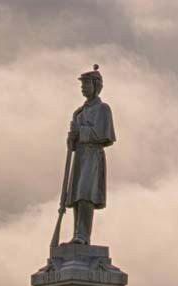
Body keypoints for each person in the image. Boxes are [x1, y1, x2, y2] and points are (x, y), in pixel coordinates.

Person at [63, 65, 115, 246]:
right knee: (77, 196)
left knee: (86, 194)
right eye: (82, 85)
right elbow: (74, 143)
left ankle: (83, 235)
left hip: (93, 155)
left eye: (86, 84)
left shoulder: (103, 109)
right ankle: (78, 233)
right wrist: (72, 139)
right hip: (81, 156)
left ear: (96, 85)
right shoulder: (79, 112)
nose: (83, 88)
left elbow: (103, 135)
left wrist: (81, 132)